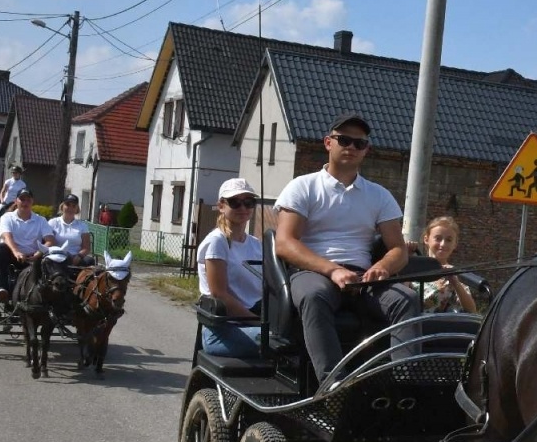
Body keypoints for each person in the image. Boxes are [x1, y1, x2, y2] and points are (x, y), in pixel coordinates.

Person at [273, 112, 416, 384]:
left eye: (359, 143)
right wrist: (333, 270)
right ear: (328, 142)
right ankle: (333, 385)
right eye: (344, 140)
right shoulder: (302, 187)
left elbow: (398, 249)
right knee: (314, 296)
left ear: (366, 150)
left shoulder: (379, 195)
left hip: (362, 277)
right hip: (313, 272)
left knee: (406, 299)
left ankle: (405, 383)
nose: (351, 147)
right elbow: (285, 243)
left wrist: (382, 268)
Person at [196, 178, 264, 357]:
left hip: (253, 320)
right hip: (223, 330)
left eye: (248, 202)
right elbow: (219, 294)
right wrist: (258, 322)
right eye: (235, 202)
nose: (243, 208)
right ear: (221, 206)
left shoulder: (256, 244)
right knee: (276, 341)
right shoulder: (217, 241)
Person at [0, 189, 57, 304]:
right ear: (16, 201)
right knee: (0, 248)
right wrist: (16, 252)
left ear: (32, 202)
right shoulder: (7, 217)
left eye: (28, 200)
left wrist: (39, 253)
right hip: (13, 257)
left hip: (34, 259)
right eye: (22, 199)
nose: (25, 202)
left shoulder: (41, 220)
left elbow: (50, 240)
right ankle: (3, 288)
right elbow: (7, 237)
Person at [415, 216, 478, 314]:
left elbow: (471, 310)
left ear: (455, 244)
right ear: (426, 239)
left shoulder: (455, 274)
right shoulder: (414, 267)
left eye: (449, 240)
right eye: (438, 238)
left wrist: (455, 283)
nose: (443, 244)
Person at [48, 195, 94, 265]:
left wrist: (79, 256)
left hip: (75, 257)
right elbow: (49, 242)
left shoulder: (82, 226)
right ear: (62, 206)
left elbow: (86, 248)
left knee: (90, 261)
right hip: (57, 256)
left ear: (77, 209)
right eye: (68, 205)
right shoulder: (53, 223)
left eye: (73, 206)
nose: (70, 208)